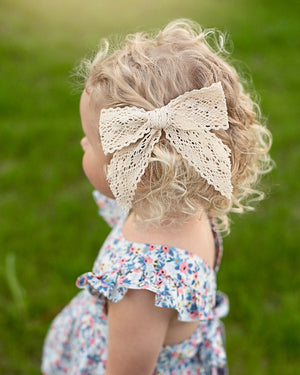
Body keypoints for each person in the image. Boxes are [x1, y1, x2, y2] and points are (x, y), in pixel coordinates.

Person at [41, 19, 272, 375]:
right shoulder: (186, 206)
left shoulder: (142, 288)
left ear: (143, 171)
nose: (84, 144)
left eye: (92, 141)